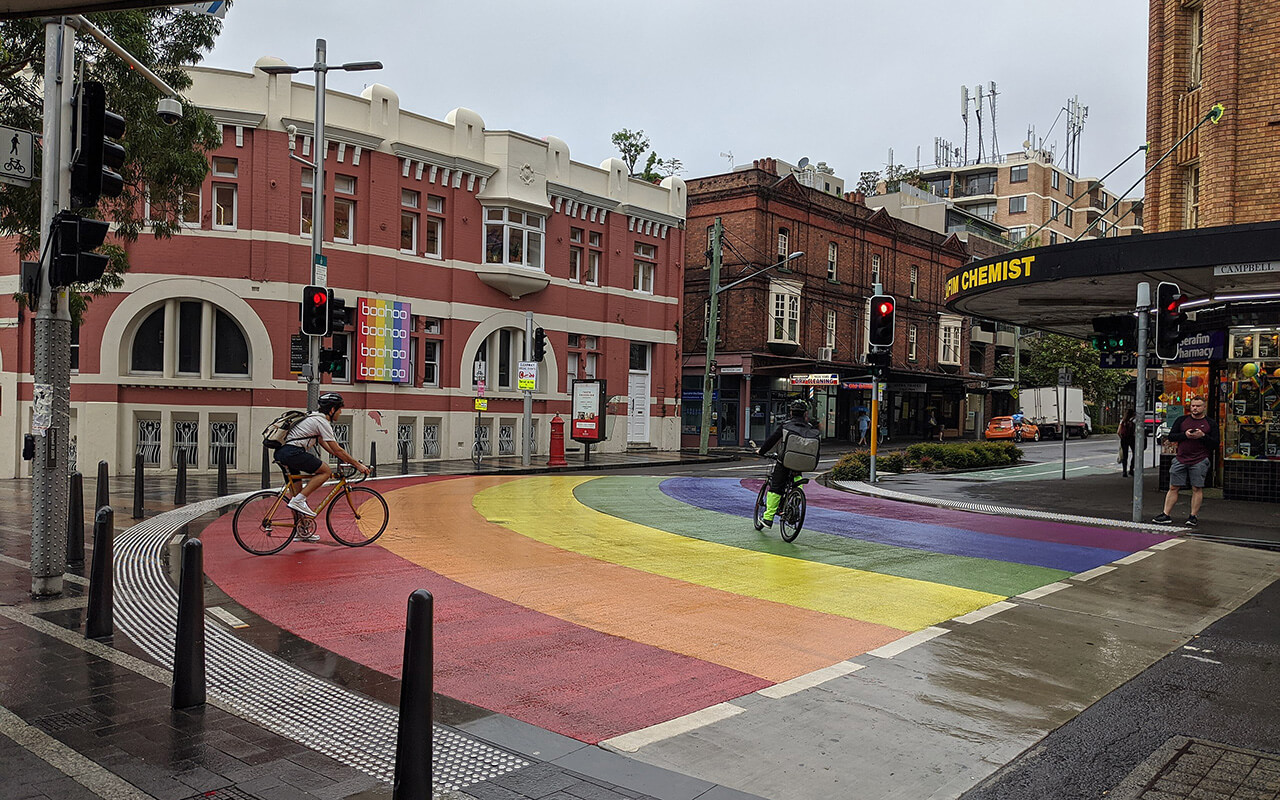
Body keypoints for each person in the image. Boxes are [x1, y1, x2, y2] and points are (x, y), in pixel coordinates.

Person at [274, 392, 370, 539]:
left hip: (283, 453)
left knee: (297, 492)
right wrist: (357, 465)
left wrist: (343, 458)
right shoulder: (322, 422)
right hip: (293, 452)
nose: (340, 412)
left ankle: (302, 531)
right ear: (332, 410)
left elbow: (327, 445)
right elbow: (337, 448)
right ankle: (299, 501)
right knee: (325, 471)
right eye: (339, 409)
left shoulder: (313, 418)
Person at [1152, 397, 1216, 527]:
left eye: (1198, 406)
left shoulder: (1210, 423)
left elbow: (1215, 443)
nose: (1195, 408)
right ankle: (1166, 514)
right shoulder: (1182, 420)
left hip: (1199, 459)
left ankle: (1193, 516)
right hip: (1181, 458)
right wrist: (1185, 435)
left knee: (1197, 488)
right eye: (1193, 406)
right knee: (1174, 487)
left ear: (1204, 407)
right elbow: (1171, 436)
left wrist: (1202, 436)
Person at [756, 399, 820, 528]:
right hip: (803, 463)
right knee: (797, 478)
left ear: (791, 412)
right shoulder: (810, 428)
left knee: (776, 487)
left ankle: (768, 518)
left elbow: (772, 440)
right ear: (805, 413)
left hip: (785, 462)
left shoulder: (786, 426)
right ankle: (796, 501)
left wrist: (761, 451)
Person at [1117, 408, 1136, 477]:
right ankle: (1131, 469)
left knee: (1125, 456)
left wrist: (1122, 437)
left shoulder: (1123, 421)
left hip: (1124, 439)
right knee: (1135, 454)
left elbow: (1118, 432)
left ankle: (1124, 471)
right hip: (1132, 439)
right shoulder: (1134, 421)